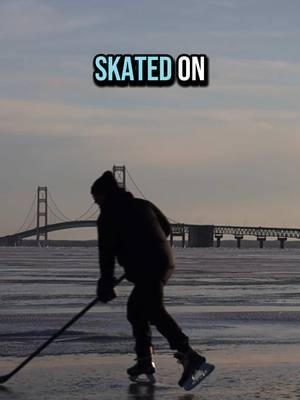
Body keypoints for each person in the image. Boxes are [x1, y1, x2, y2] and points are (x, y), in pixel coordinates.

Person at [91, 170, 214, 388]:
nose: (96, 204)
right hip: (165, 262)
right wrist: (145, 244)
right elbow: (165, 228)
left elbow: (106, 254)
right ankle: (145, 361)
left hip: (147, 267)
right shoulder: (143, 204)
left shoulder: (108, 216)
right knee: (138, 310)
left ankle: (189, 355)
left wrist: (106, 283)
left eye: (97, 199)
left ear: (104, 196)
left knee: (153, 310)